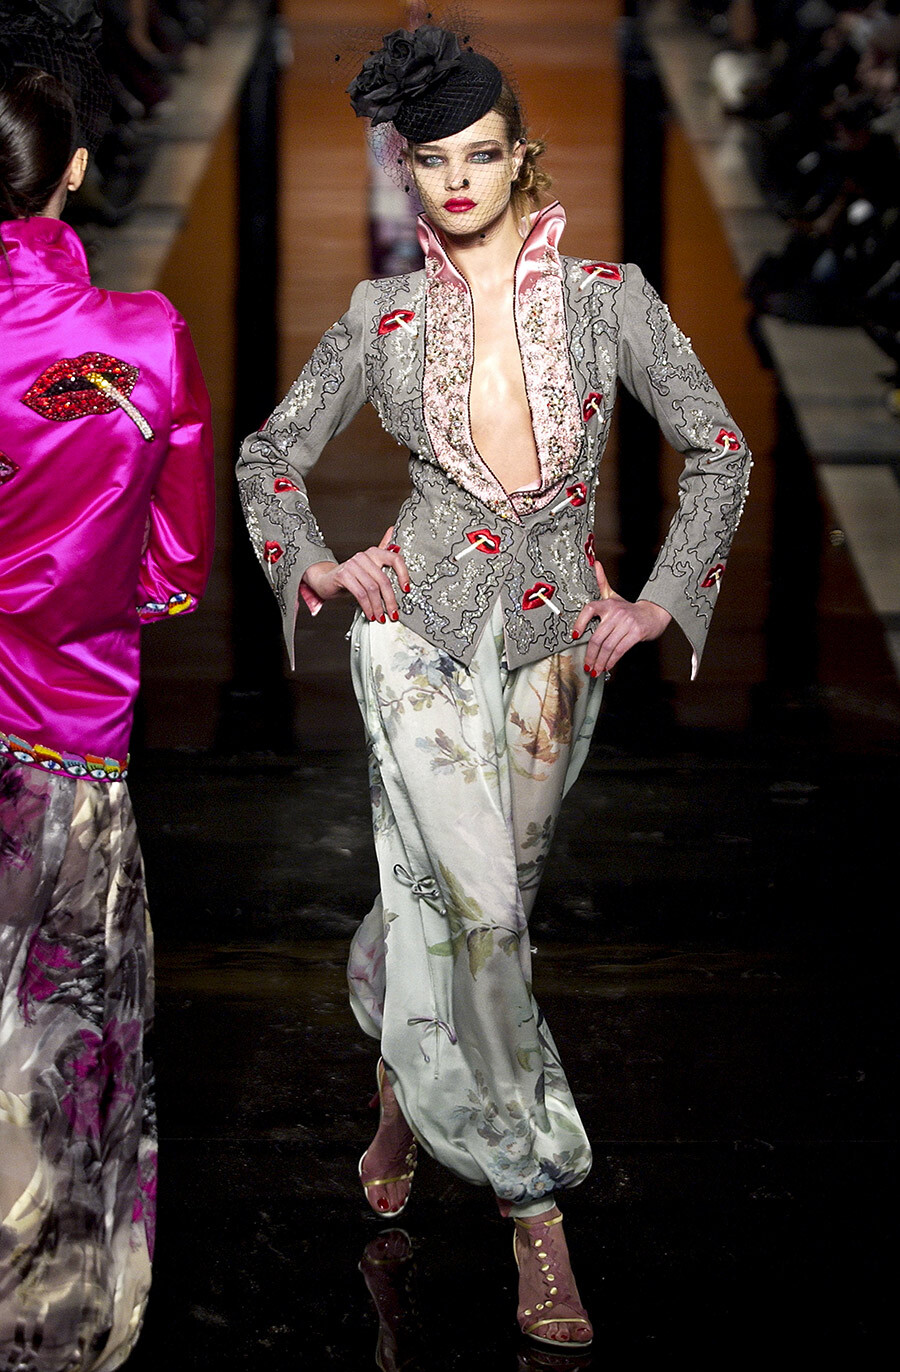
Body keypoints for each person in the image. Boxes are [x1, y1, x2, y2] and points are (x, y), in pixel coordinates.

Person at [237, 19, 751, 1353]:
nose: (457, 181)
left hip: (547, 650)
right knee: (481, 912)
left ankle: (406, 1085)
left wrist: (658, 602)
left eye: (480, 156)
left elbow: (718, 448)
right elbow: (270, 456)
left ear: (522, 160)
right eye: (432, 161)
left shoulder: (609, 300)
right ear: (406, 176)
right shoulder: (381, 315)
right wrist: (322, 570)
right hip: (412, 638)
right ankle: (537, 1215)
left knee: (490, 900)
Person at [0, 17, 215, 1369]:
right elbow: (172, 567)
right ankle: (53, 1319)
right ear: (75, 171)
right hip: (67, 741)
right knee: (64, 1042)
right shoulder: (139, 342)